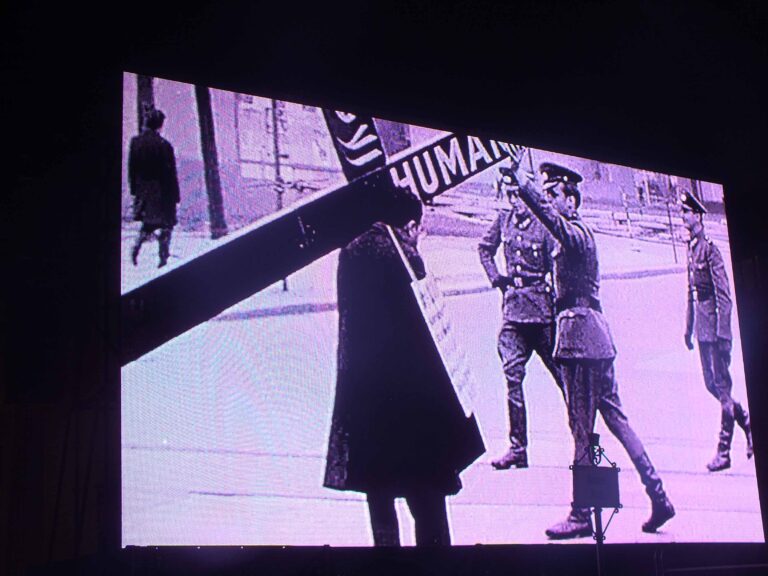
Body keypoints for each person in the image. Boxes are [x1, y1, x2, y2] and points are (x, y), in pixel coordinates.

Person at [508, 159, 675, 539]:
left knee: (581, 430)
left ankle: (582, 515)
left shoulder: (576, 234)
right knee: (617, 421)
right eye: (547, 194)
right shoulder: (572, 235)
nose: (550, 201)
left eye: (555, 195)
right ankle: (658, 496)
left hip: (581, 341)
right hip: (593, 340)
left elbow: (552, 223)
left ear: (572, 200)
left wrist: (525, 184)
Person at [323, 192, 484, 546]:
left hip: (364, 397)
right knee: (426, 497)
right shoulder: (406, 256)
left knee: (378, 494)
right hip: (410, 404)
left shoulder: (350, 252)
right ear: (410, 226)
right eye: (419, 230)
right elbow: (428, 334)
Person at [478, 167, 565, 470]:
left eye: (518, 195)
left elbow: (559, 264)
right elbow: (484, 249)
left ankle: (585, 439)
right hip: (514, 312)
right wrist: (496, 279)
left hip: (541, 314)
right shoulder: (502, 221)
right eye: (510, 195)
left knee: (564, 378)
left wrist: (559, 301)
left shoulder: (543, 227)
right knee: (512, 375)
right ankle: (518, 448)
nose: (514, 201)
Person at [681, 190, 752, 472]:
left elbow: (724, 295)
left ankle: (723, 451)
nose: (683, 217)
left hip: (715, 332)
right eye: (682, 213)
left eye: (687, 213)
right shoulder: (691, 247)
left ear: (697, 216)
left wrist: (724, 335)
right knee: (711, 385)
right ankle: (747, 422)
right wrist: (688, 328)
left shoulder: (711, 249)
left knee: (722, 389)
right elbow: (691, 292)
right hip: (702, 329)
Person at [128, 107, 181, 268]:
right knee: (167, 226)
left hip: (144, 193)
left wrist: (135, 191)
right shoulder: (165, 145)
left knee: (148, 225)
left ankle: (136, 247)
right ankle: (163, 258)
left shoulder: (135, 142)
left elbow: (132, 169)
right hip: (163, 194)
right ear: (160, 125)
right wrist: (176, 196)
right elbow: (171, 173)